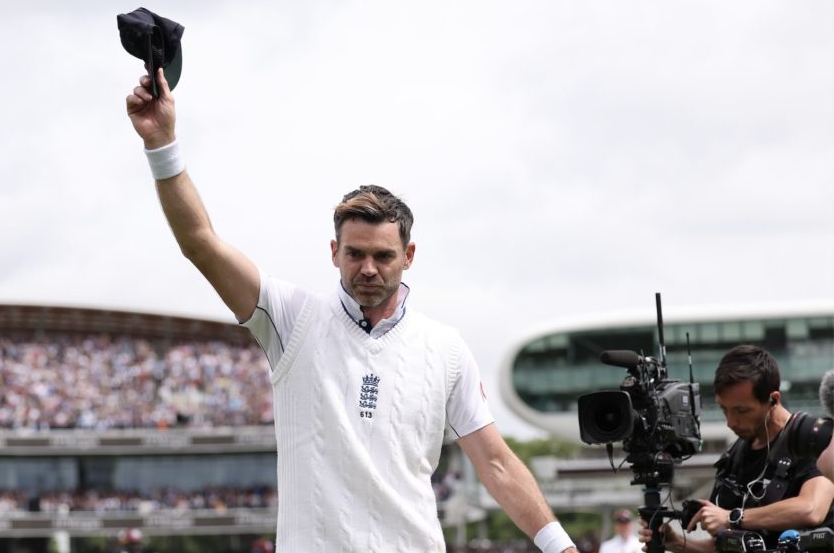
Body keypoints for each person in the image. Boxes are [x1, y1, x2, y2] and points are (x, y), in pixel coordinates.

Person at [125, 69, 578, 552]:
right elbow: (201, 245)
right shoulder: (290, 318)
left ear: (408, 257)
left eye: (383, 256)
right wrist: (162, 144)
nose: (368, 268)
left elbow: (497, 463)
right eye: (355, 253)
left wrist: (562, 547)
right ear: (333, 252)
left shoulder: (445, 348)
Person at [639, 345, 834, 552]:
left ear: (773, 400)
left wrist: (733, 517)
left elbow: (811, 508)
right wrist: (679, 543)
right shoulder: (735, 455)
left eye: (741, 410)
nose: (731, 422)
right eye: (724, 409)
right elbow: (727, 546)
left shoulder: (808, 439)